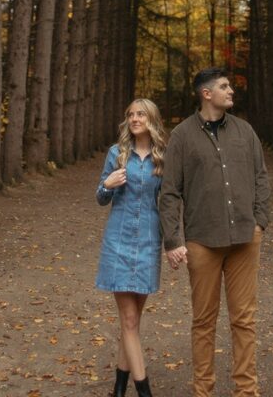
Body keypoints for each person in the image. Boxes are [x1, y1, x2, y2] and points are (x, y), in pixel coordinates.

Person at [159, 67, 271, 397]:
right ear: (206, 94)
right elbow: (169, 191)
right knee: (204, 322)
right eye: (224, 87)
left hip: (244, 239)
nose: (230, 91)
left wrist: (260, 221)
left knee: (244, 321)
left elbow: (261, 178)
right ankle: (203, 391)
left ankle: (246, 392)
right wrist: (173, 239)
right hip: (202, 241)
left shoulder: (245, 132)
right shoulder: (181, 136)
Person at [96, 98, 167, 397]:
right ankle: (145, 392)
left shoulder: (163, 158)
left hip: (149, 244)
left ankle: (119, 388)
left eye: (141, 114)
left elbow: (170, 202)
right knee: (128, 320)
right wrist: (108, 184)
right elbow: (101, 197)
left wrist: (175, 240)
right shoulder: (117, 153)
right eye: (131, 115)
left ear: (151, 119)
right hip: (119, 244)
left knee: (133, 323)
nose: (135, 119)